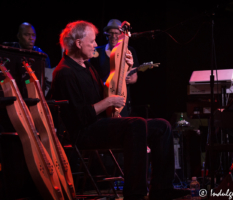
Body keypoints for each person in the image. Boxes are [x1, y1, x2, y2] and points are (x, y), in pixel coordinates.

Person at [51, 20, 189, 200]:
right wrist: (108, 101)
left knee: (162, 126)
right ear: (78, 43)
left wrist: (127, 69)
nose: (95, 45)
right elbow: (81, 117)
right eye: (92, 41)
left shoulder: (87, 66)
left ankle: (162, 188)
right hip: (84, 132)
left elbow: (108, 89)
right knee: (136, 124)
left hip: (99, 124)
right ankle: (135, 193)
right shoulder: (65, 72)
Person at [89, 19, 139, 117]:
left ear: (121, 34)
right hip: (103, 98)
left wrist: (129, 78)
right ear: (107, 35)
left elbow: (134, 77)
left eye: (117, 33)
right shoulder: (97, 52)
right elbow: (90, 75)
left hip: (121, 98)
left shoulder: (129, 51)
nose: (114, 37)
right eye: (111, 33)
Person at [3, 22, 53, 96]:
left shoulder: (41, 55)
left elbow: (47, 80)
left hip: (33, 93)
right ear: (19, 36)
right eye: (27, 35)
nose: (31, 38)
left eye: (33, 35)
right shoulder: (9, 51)